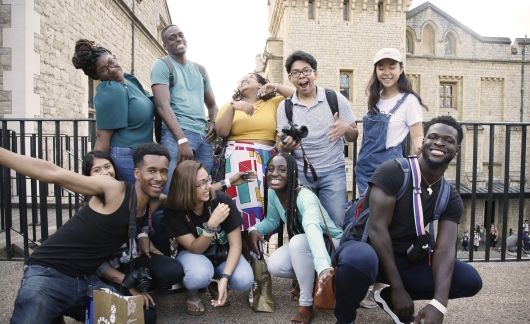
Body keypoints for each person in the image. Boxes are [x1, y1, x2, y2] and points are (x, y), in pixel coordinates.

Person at [334, 116, 482, 324]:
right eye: (433, 137)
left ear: (457, 149)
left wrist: (439, 304)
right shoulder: (393, 171)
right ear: (423, 143)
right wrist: (398, 288)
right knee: (359, 260)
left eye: (448, 140)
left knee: (469, 280)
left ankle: (385, 298)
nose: (439, 142)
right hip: (365, 247)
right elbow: (377, 229)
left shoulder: (450, 196)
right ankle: (345, 318)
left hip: (404, 258)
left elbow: (445, 249)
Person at [6, 143, 172, 323]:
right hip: (50, 272)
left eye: (163, 171)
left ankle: (56, 311)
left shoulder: (153, 202)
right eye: (152, 170)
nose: (159, 177)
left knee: (144, 316)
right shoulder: (114, 189)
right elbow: (53, 173)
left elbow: (182, 198)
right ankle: (52, 308)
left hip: (86, 281)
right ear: (137, 173)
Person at [81, 150, 183, 324]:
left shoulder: (129, 196)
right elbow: (96, 264)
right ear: (88, 176)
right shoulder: (88, 212)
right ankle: (125, 294)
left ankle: (144, 289)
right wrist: (131, 287)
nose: (105, 173)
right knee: (147, 317)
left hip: (133, 261)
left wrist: (143, 236)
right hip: (110, 273)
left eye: (107, 166)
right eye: (97, 170)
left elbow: (155, 204)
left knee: (173, 270)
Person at [249, 153, 343, 324]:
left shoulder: (305, 197)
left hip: (330, 243)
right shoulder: (273, 192)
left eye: (282, 169)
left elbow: (312, 227)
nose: (274, 173)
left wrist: (322, 266)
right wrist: (255, 229)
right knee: (275, 265)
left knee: (297, 241)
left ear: (292, 173)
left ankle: (306, 305)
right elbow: (272, 220)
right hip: (305, 245)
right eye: (270, 169)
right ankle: (309, 278)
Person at [277, 50, 358, 228]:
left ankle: (333, 256)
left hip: (333, 172)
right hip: (301, 175)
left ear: (315, 74)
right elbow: (281, 147)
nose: (302, 76)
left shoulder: (335, 99)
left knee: (336, 224)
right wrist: (286, 146)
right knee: (307, 225)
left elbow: (354, 135)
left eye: (306, 71)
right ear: (290, 78)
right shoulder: (285, 107)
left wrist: (346, 128)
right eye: (296, 73)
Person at [164, 160, 254, 316]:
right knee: (198, 276)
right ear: (186, 188)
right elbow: (194, 247)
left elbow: (235, 245)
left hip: (222, 254)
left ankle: (217, 282)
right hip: (194, 256)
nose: (208, 186)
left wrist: (225, 278)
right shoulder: (175, 210)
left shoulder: (221, 200)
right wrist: (211, 226)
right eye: (202, 183)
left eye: (208, 180)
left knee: (244, 280)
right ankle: (192, 292)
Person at [215, 73, 293, 229]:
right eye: (242, 78)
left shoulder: (274, 102)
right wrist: (233, 107)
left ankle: (258, 245)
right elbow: (222, 132)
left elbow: (296, 95)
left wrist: (276, 87)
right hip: (239, 159)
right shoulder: (230, 105)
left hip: (267, 160)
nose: (244, 78)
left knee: (267, 207)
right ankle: (241, 245)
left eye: (250, 77)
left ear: (260, 84)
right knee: (242, 209)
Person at [72, 39, 154, 183]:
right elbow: (103, 138)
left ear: (114, 56)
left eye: (111, 62)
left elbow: (154, 101)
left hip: (144, 154)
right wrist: (93, 178)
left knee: (145, 201)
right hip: (126, 157)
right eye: (104, 69)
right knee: (135, 202)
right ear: (98, 76)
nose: (111, 69)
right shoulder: (111, 90)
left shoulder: (130, 80)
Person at [151, 24, 218, 193]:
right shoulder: (162, 65)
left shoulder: (200, 70)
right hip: (176, 136)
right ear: (165, 46)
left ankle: (194, 221)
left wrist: (213, 123)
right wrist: (182, 140)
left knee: (200, 190)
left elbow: (212, 105)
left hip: (203, 138)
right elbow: (162, 105)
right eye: (172, 38)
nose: (178, 39)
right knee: (170, 191)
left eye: (180, 35)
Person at [355, 48, 426, 195]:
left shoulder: (409, 101)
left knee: (383, 214)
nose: (386, 72)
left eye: (392, 67)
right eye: (381, 68)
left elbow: (418, 137)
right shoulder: (375, 98)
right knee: (365, 214)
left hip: (388, 169)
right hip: (364, 169)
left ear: (401, 70)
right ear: (376, 71)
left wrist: (422, 154)